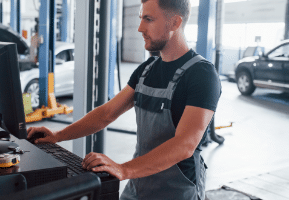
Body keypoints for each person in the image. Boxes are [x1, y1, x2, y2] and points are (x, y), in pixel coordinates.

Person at [27, 0, 221, 199]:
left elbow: (185, 144)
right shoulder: (147, 69)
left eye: (149, 19)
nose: (140, 28)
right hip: (138, 188)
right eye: (141, 18)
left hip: (177, 193)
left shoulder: (201, 74)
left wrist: (124, 169)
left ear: (175, 23)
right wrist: (57, 136)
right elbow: (106, 114)